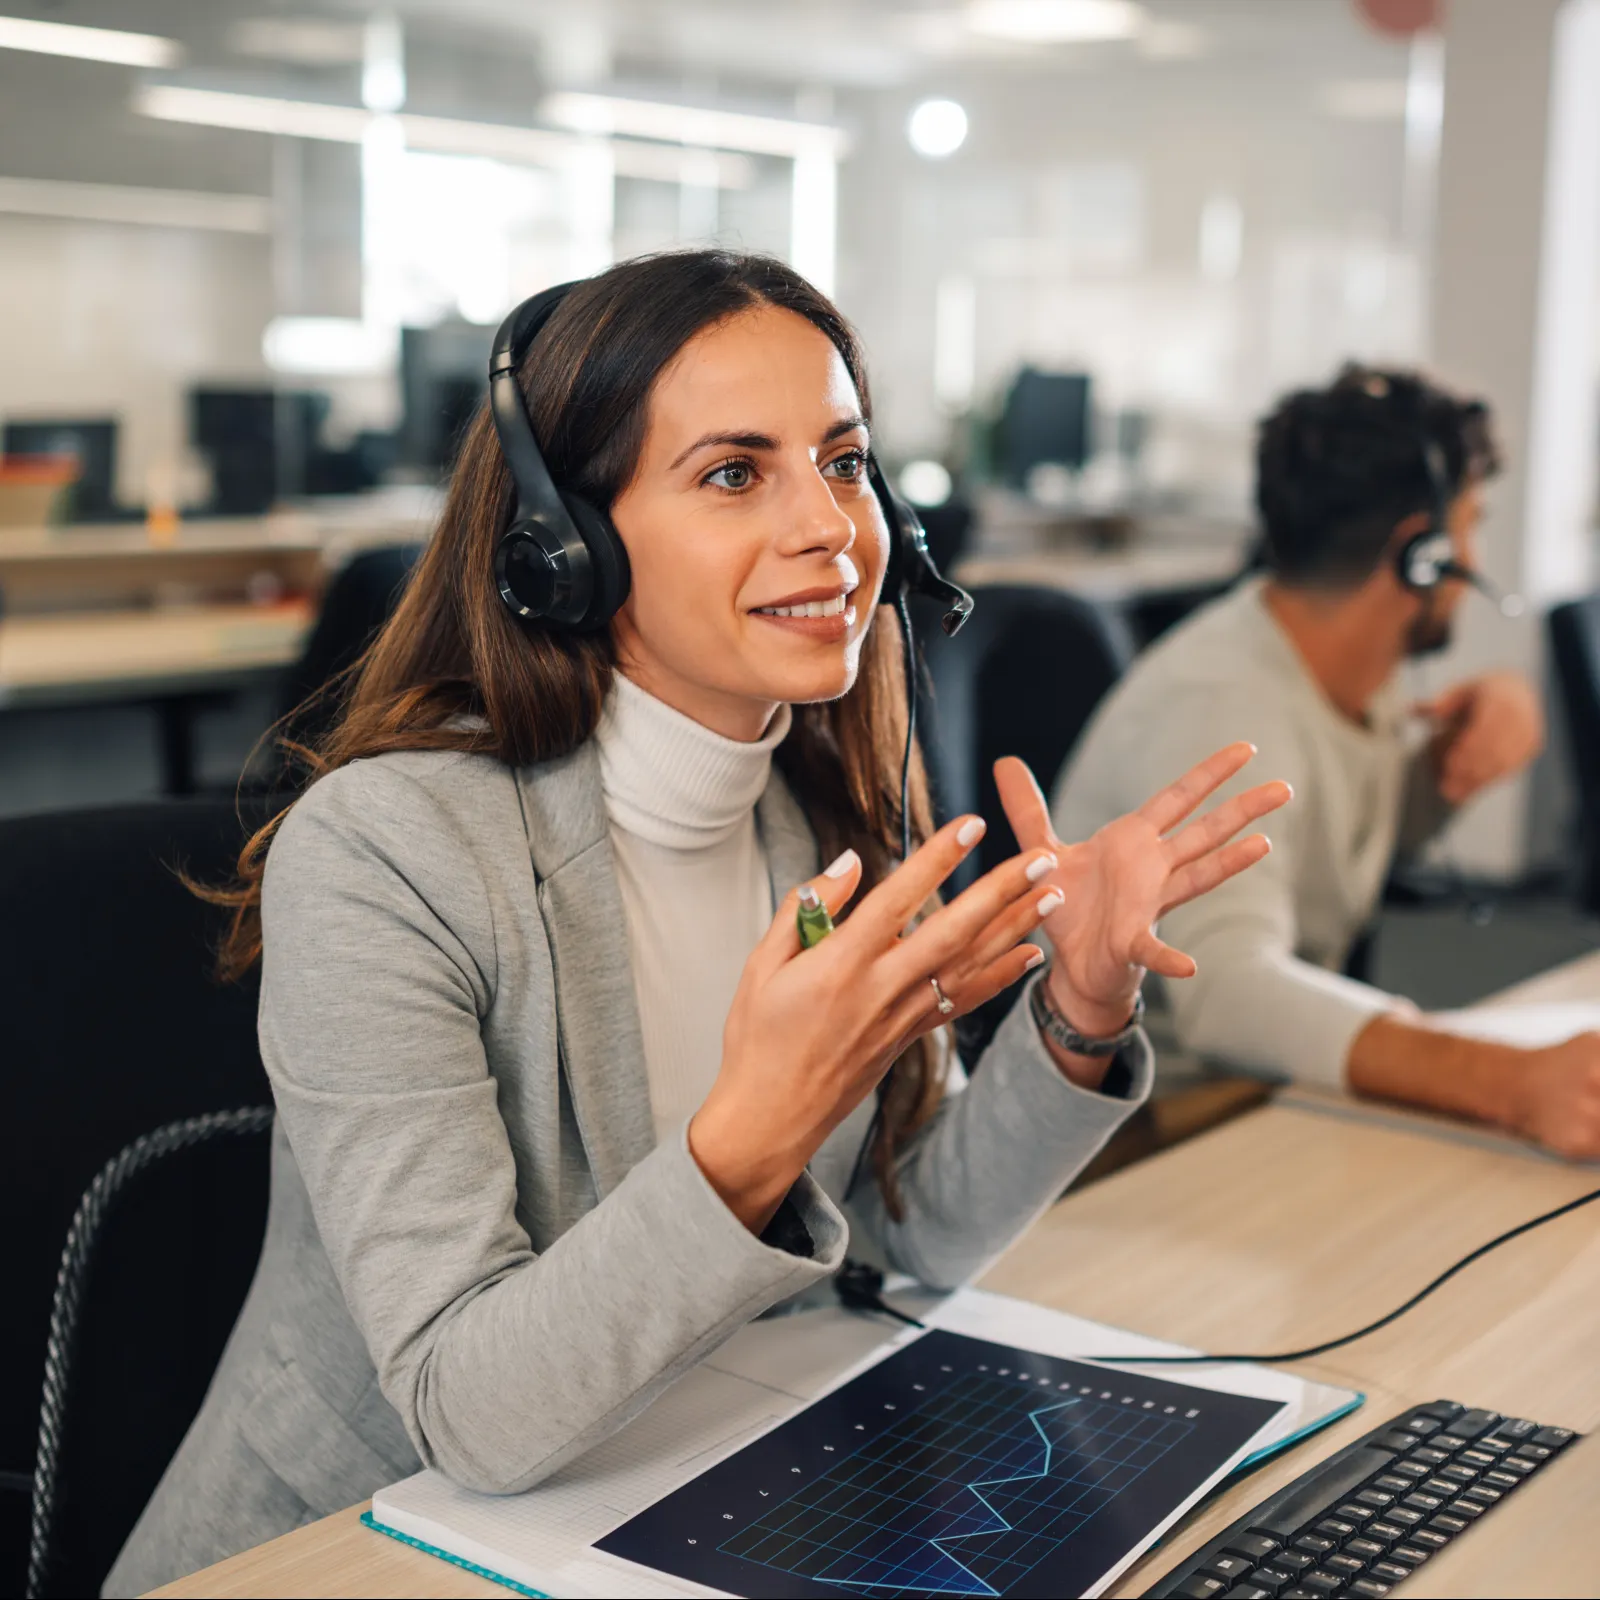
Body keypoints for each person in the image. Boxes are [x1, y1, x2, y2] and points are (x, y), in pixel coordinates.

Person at [107, 251, 1286, 1595]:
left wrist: (1076, 1011)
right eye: (735, 473)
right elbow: (467, 1412)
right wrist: (758, 1126)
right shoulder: (392, 856)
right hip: (357, 1548)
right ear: (568, 547)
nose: (832, 529)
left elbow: (909, 1245)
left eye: (843, 462)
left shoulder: (820, 818)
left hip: (678, 1483)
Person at [1053, 363, 1600, 1160]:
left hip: (1266, 1100)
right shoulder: (1223, 706)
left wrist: (1452, 766)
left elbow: (1326, 845)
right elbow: (1229, 993)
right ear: (1423, 553)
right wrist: (1508, 1083)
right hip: (1151, 1141)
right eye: (1472, 522)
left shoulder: (1338, 664)